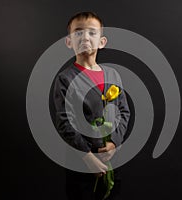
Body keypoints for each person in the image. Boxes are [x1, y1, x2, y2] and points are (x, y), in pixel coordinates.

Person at [50, 11, 130, 200]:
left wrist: (113, 143)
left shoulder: (113, 75)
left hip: (111, 160)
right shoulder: (65, 79)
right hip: (81, 163)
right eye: (78, 32)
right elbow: (64, 122)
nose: (85, 37)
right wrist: (88, 158)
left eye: (92, 32)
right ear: (69, 42)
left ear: (102, 42)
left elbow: (124, 112)